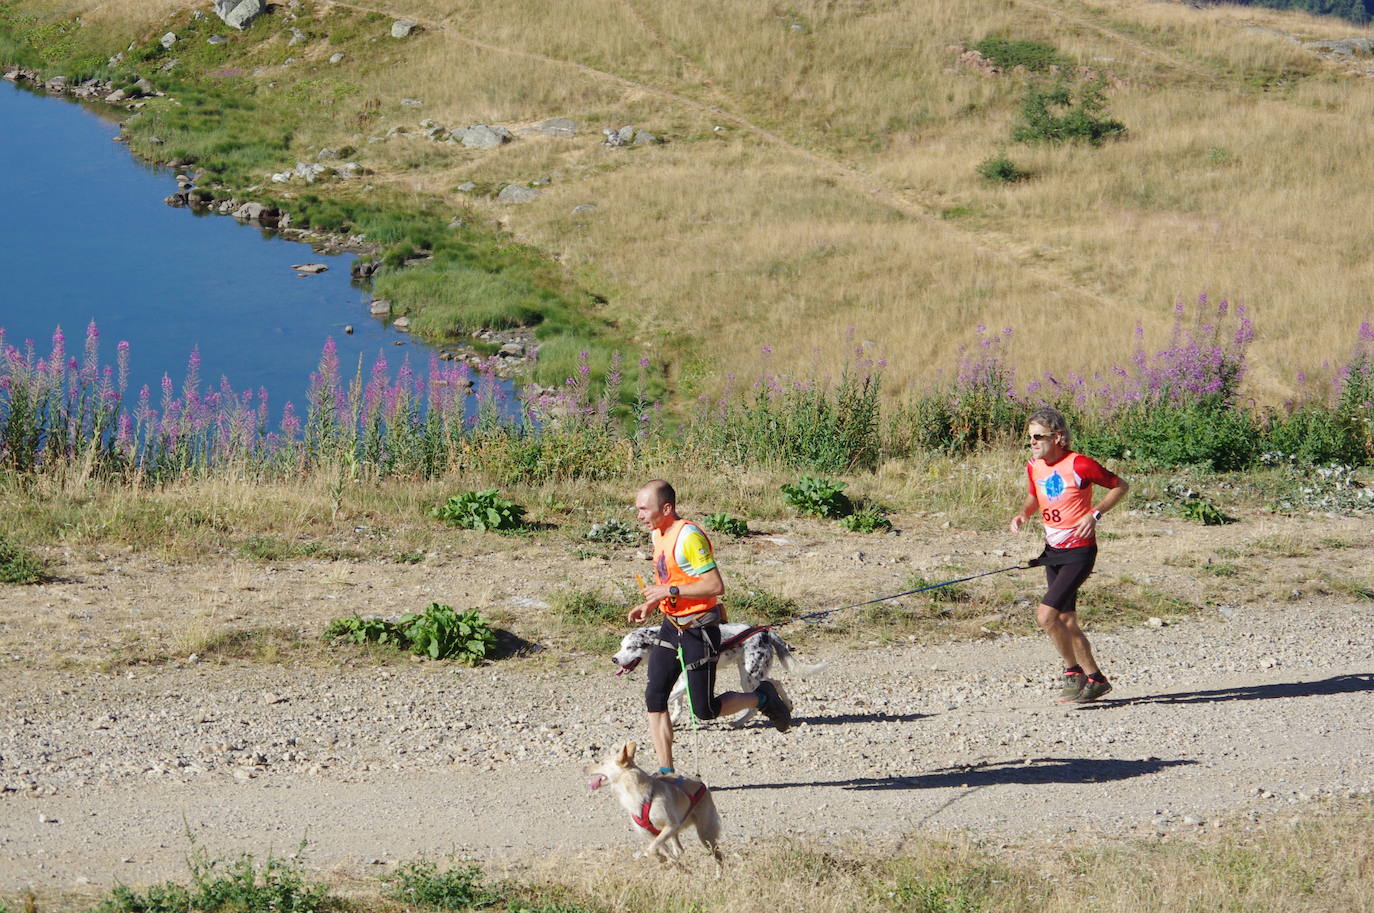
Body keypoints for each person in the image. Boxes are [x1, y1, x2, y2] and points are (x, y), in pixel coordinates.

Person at [627, 479, 790, 775]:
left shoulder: (689, 536)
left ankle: (763, 696)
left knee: (704, 710)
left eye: (643, 508)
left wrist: (669, 592)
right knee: (655, 696)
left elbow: (715, 585)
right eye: (637, 508)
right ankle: (667, 773)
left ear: (666, 508)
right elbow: (670, 579)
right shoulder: (657, 534)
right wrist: (651, 604)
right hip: (671, 626)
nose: (638, 514)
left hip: (699, 627)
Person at [1010, 407, 1130, 703]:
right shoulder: (1034, 466)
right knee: (1066, 620)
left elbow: (1120, 485)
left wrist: (1095, 513)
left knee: (1046, 615)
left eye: (1038, 437)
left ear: (1058, 437)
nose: (1033, 443)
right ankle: (1096, 678)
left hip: (1079, 551)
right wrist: (1023, 515)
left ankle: (1072, 671)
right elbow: (1034, 496)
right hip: (1053, 551)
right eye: (1030, 439)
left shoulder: (1079, 464)